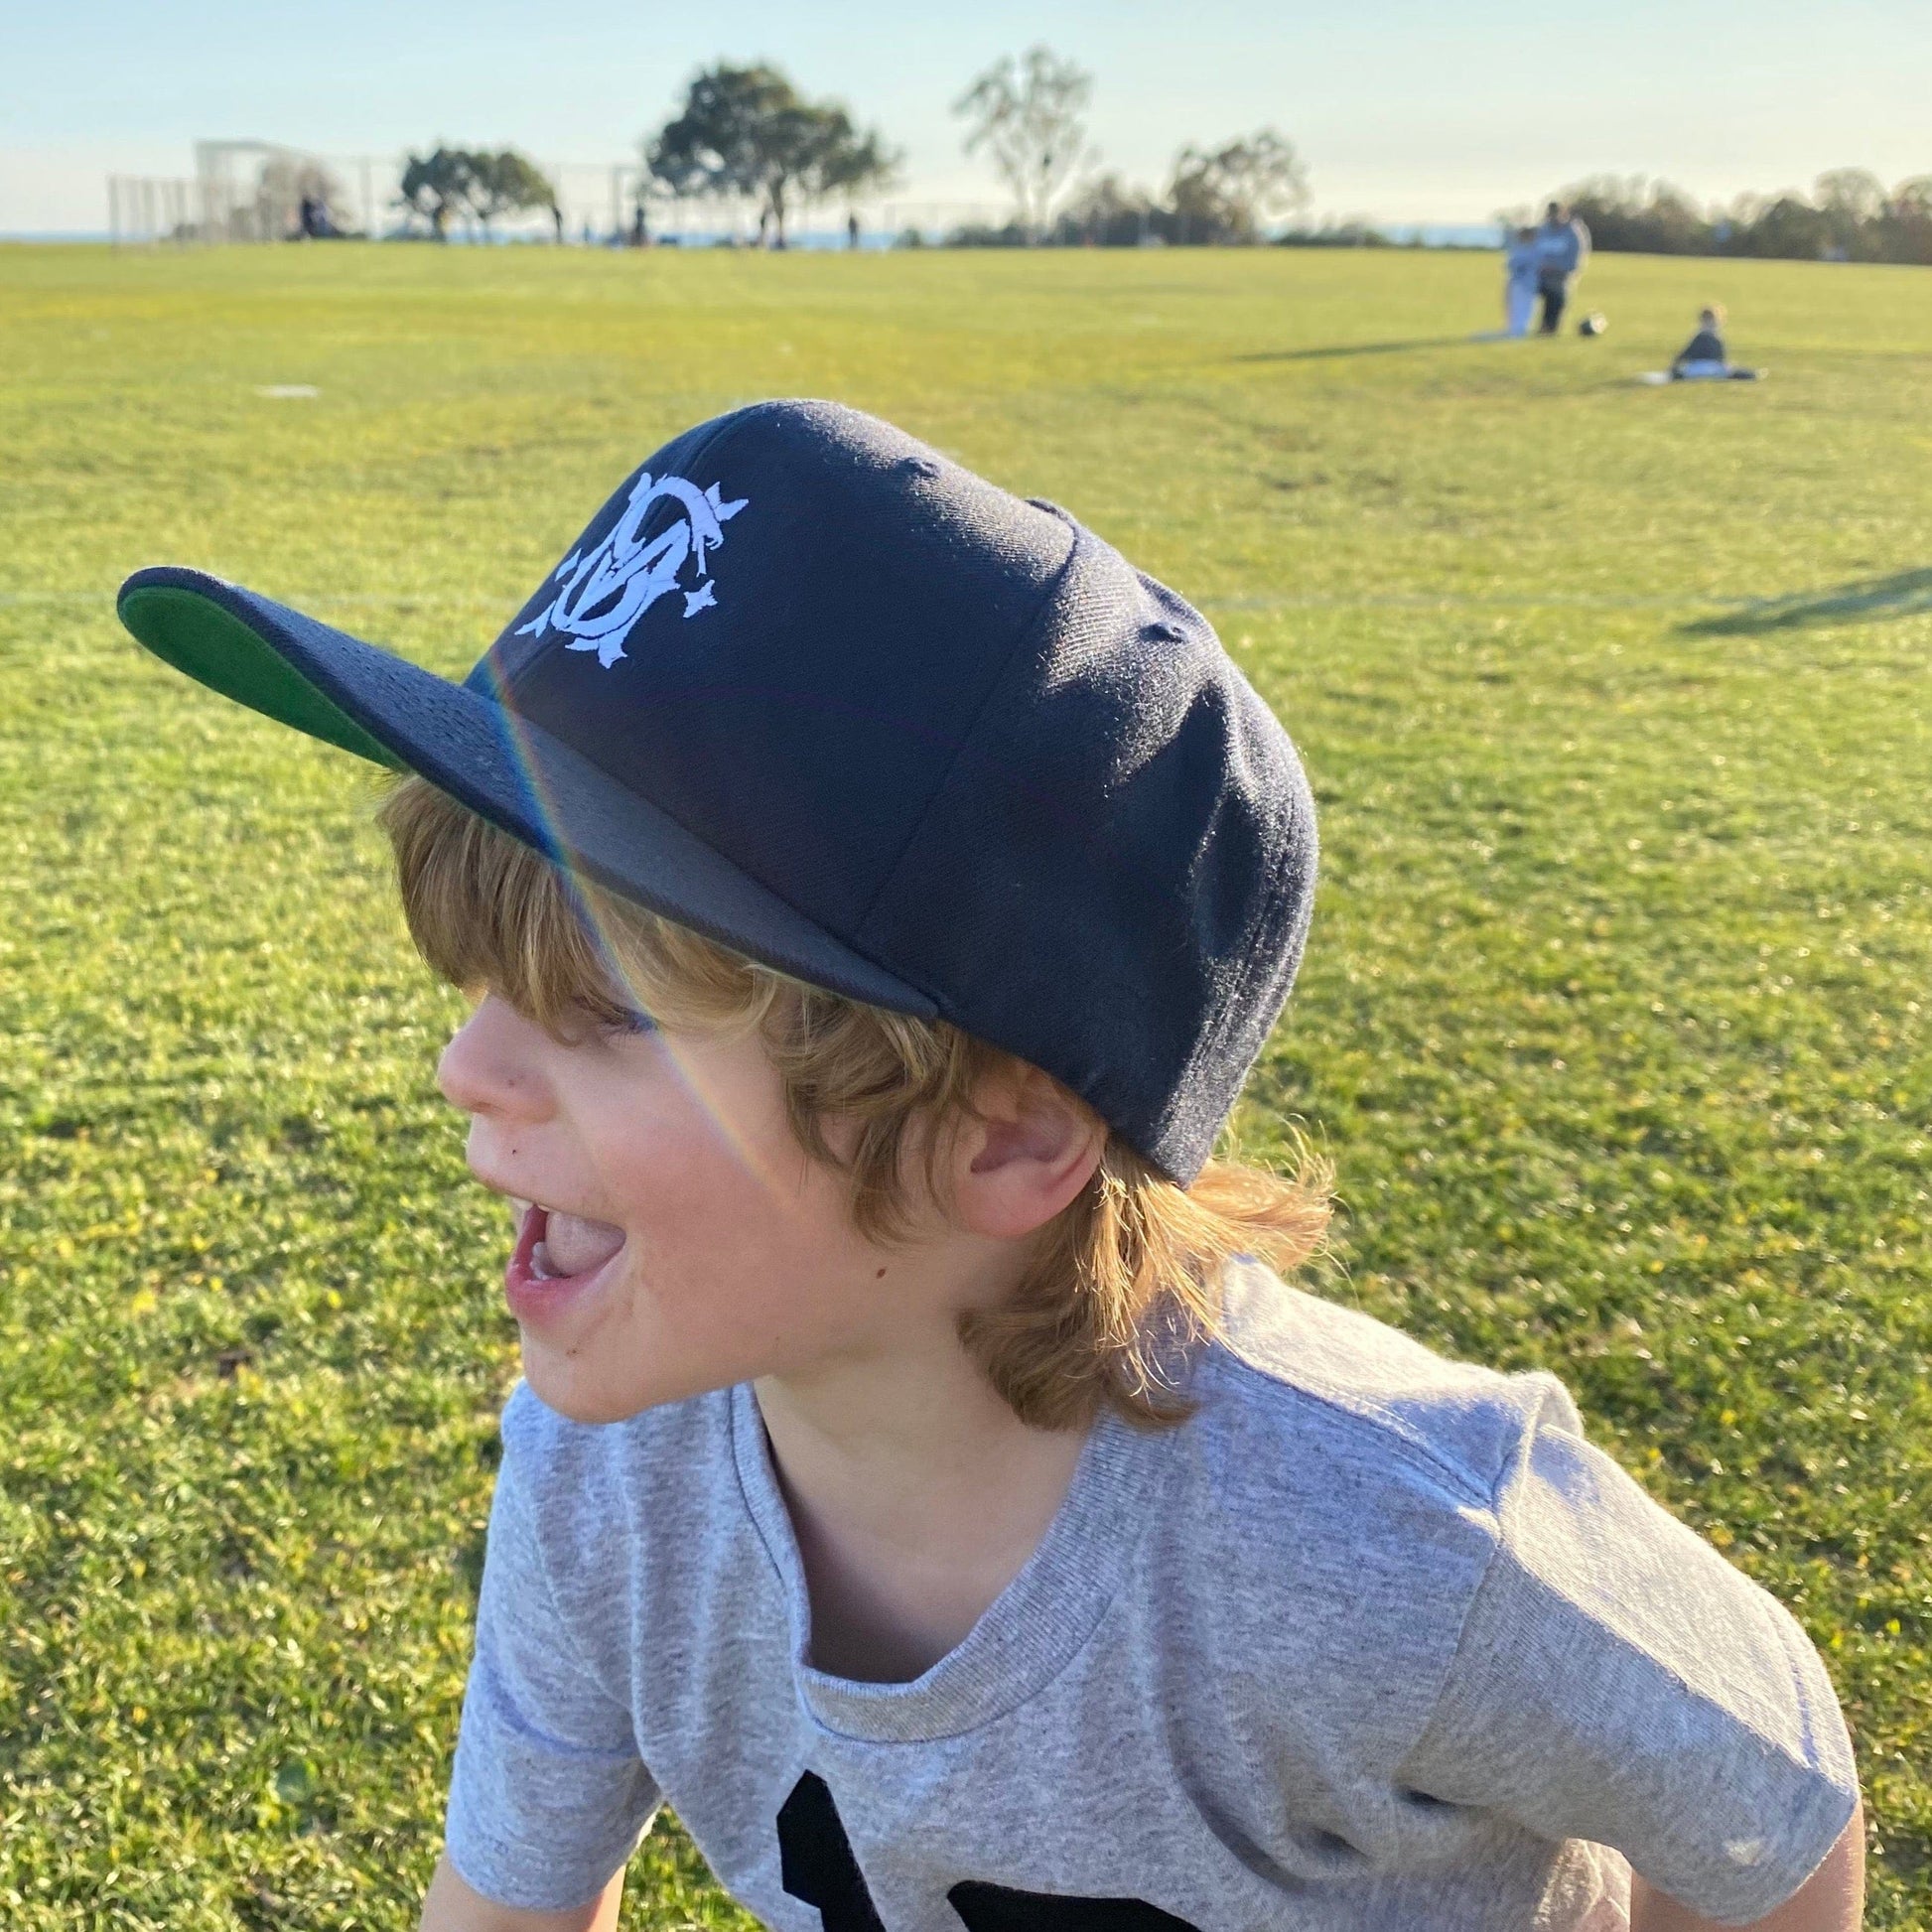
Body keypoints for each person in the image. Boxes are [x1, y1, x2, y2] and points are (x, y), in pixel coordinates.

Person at [116, 400, 1863, 1932]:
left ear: (1004, 1131)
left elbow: (1768, 1813)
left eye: (602, 1010)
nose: (462, 1066)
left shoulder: (1399, 1543)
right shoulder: (610, 1482)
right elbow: (508, 1900)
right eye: (483, 982)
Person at [1534, 200, 1590, 335]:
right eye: (1550, 214)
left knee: (1556, 293)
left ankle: (1549, 327)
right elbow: (1533, 252)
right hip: (1539, 274)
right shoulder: (1543, 230)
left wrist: (1556, 268)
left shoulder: (1573, 233)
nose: (1552, 217)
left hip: (1561, 275)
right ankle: (1519, 325)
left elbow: (1576, 259)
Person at [1672, 302, 1761, 379]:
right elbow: (1720, 359)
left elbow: (1685, 355)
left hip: (1694, 369)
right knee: (1735, 371)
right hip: (1713, 368)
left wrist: (1674, 368)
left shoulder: (1698, 336)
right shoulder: (1712, 338)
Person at [1504, 223, 1539, 337]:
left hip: (1527, 284)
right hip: (1517, 283)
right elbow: (1511, 265)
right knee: (1515, 307)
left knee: (1525, 307)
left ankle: (1520, 330)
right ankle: (1515, 329)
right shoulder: (1520, 249)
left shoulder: (1533, 250)